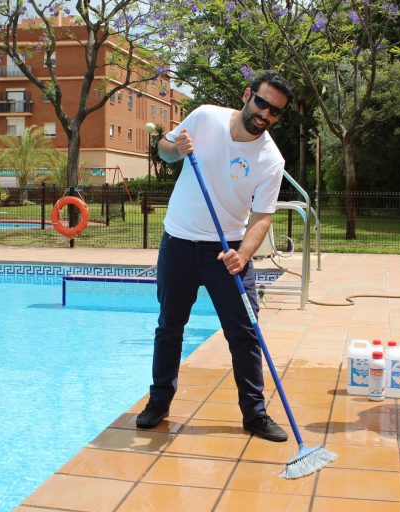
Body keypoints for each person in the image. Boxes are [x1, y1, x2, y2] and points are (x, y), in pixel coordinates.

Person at [135, 70, 294, 442]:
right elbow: (164, 149)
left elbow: (263, 215)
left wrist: (243, 254)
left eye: (275, 112)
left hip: (227, 252)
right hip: (179, 242)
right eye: (262, 104)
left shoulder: (271, 159)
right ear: (247, 95)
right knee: (169, 326)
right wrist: (176, 148)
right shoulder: (205, 117)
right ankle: (159, 401)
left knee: (244, 333)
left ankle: (254, 414)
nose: (266, 115)